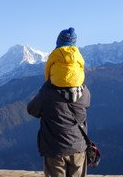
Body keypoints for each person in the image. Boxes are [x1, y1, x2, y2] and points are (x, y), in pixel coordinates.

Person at [27, 27, 90, 177]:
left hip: (55, 150)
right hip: (79, 148)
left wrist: (47, 85)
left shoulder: (47, 92)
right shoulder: (85, 91)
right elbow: (85, 105)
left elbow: (32, 110)